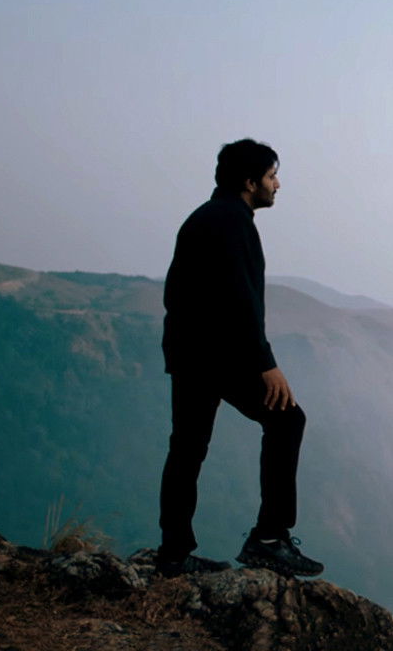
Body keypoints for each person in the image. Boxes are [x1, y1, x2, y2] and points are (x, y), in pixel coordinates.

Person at [156, 138, 324, 578]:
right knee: (288, 420)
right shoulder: (232, 222)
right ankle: (268, 539)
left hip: (192, 354)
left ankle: (173, 554)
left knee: (187, 449)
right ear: (250, 182)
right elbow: (239, 299)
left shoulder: (207, 217)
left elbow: (176, 293)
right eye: (271, 176)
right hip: (219, 358)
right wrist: (265, 363)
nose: (278, 184)